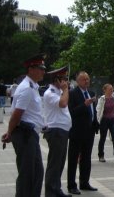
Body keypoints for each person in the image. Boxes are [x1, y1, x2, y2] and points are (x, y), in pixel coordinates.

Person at [1, 54, 46, 197]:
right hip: (25, 134)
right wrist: (9, 132)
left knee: (37, 172)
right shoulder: (26, 88)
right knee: (27, 174)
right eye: (40, 68)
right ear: (31, 69)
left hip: (30, 135)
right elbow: (16, 114)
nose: (43, 72)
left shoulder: (33, 87)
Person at [67, 72, 99, 194]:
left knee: (86, 158)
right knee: (73, 159)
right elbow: (71, 112)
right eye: (84, 79)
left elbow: (93, 111)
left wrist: (95, 122)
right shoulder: (73, 94)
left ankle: (84, 182)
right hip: (77, 131)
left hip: (89, 131)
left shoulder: (90, 93)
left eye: (88, 79)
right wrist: (84, 105)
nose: (87, 81)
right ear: (78, 81)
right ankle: (71, 185)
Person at [43, 66, 72, 197]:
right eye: (64, 79)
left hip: (62, 131)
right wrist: (65, 89)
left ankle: (56, 189)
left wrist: (64, 90)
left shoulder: (59, 92)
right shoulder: (50, 93)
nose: (66, 81)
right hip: (55, 131)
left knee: (60, 163)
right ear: (57, 80)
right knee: (54, 163)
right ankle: (50, 192)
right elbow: (63, 104)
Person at [96, 83, 114, 164]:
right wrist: (98, 120)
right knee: (103, 138)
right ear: (105, 90)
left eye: (112, 89)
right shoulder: (102, 99)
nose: (112, 90)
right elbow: (98, 110)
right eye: (110, 89)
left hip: (113, 120)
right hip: (104, 120)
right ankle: (101, 155)